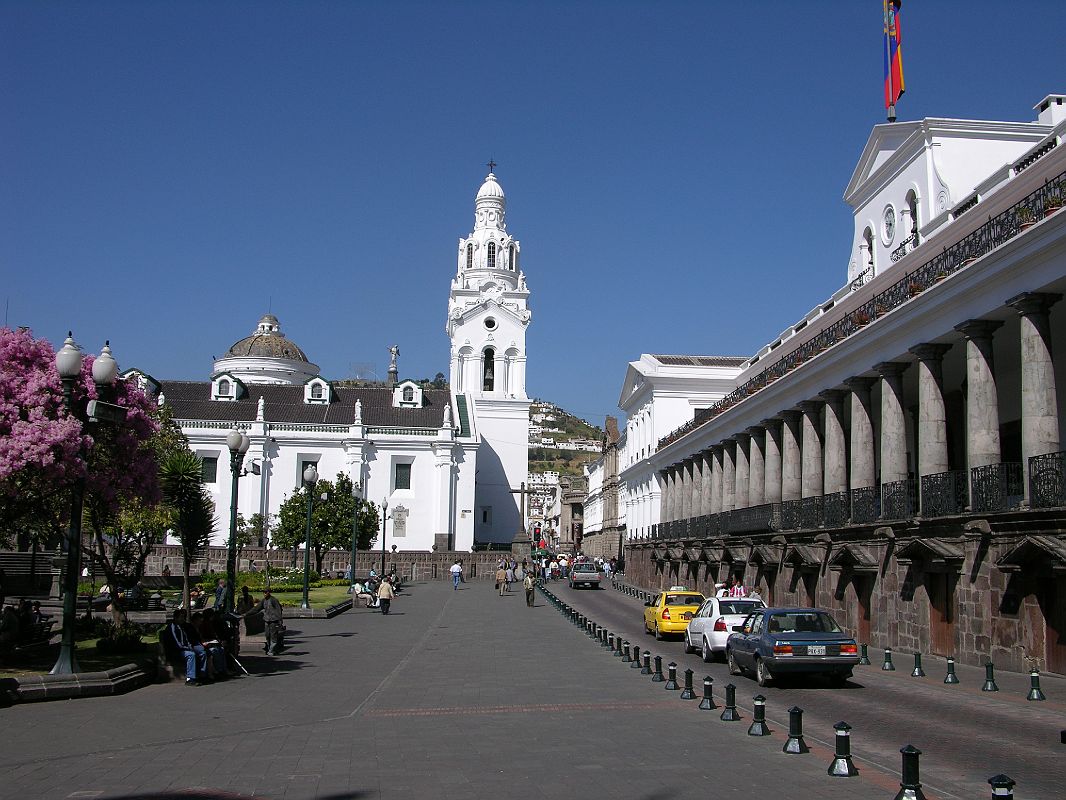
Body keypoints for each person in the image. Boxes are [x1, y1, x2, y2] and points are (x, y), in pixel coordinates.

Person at [162, 609, 208, 686]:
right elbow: (176, 642)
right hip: (176, 651)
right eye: (181, 617)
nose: (183, 619)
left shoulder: (181, 627)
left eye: (183, 617)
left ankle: (202, 674)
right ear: (176, 618)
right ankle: (190, 678)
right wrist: (187, 648)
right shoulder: (172, 627)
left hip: (184, 648)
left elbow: (186, 639)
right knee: (191, 655)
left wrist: (190, 646)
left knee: (202, 652)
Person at [245, 588, 284, 654]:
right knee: (267, 635)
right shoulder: (264, 601)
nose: (264, 594)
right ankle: (270, 649)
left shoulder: (273, 600)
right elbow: (256, 609)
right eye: (263, 592)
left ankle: (271, 650)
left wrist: (280, 620)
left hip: (273, 621)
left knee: (273, 636)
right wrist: (246, 614)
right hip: (267, 620)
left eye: (266, 592)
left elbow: (278, 610)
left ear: (269, 592)